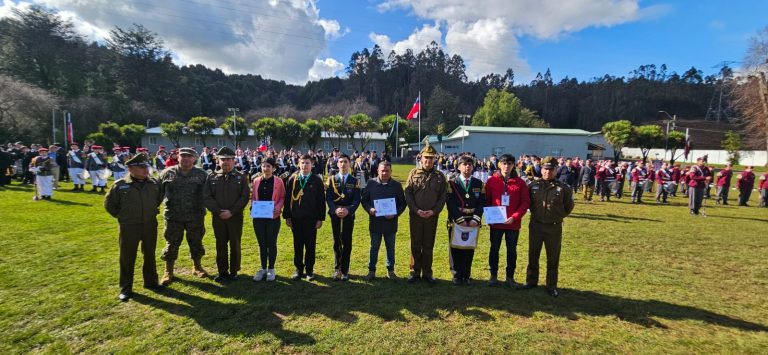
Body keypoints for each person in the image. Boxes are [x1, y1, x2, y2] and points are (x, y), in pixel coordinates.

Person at [104, 154, 164, 301]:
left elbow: (158, 199)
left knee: (149, 254)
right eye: (141, 167)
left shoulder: (154, 184)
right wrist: (124, 217)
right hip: (129, 226)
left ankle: (151, 282)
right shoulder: (120, 185)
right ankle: (126, 288)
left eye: (146, 167)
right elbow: (110, 204)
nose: (145, 170)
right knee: (127, 257)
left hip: (149, 224)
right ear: (131, 168)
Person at [157, 148, 210, 286]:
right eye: (183, 156)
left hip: (195, 215)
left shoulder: (201, 174)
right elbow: (157, 193)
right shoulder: (167, 173)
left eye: (189, 156)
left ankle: (197, 267)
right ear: (177, 157)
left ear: (194, 158)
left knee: (196, 241)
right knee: (172, 243)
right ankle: (168, 271)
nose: (186, 158)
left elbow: (208, 194)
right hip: (173, 216)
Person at [524, 156, 574, 297]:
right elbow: (527, 203)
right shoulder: (533, 185)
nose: (548, 172)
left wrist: (557, 217)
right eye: (545, 169)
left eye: (551, 169)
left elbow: (568, 207)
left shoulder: (563, 188)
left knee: (553, 257)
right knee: (533, 254)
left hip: (553, 227)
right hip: (536, 225)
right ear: (542, 169)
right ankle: (531, 281)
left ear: (556, 170)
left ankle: (551, 285)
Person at [203, 147, 251, 282]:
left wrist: (231, 211)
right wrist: (218, 212)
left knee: (235, 244)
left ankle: (234, 271)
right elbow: (207, 197)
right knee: (220, 244)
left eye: (228, 159)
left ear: (234, 161)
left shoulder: (240, 177)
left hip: (235, 217)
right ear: (218, 160)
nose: (225, 162)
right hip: (218, 218)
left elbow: (244, 197)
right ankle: (222, 271)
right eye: (222, 159)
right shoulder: (211, 177)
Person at [404, 143, 447, 283]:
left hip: (431, 217)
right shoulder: (413, 173)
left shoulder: (440, 176)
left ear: (435, 159)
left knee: (428, 245)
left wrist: (433, 211)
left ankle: (427, 273)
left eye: (431, 158)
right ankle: (414, 272)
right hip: (416, 216)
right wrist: (416, 210)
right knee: (415, 244)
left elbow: (443, 197)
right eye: (426, 158)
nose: (428, 161)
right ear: (420, 158)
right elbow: (408, 194)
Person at [484, 154, 530, 287]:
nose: (506, 166)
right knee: (494, 249)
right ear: (499, 165)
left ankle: (510, 277)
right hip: (496, 223)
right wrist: (489, 216)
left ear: (513, 165)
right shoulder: (492, 181)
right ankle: (493, 275)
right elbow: (487, 200)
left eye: (509, 164)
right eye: (504, 163)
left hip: (512, 224)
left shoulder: (520, 183)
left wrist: (515, 217)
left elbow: (525, 202)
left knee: (511, 250)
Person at [283, 154, 326, 281]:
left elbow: (321, 201)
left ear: (312, 164)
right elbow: (287, 199)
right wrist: (287, 216)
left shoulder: (316, 180)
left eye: (307, 163)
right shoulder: (293, 178)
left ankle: (309, 270)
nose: (304, 165)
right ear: (298, 164)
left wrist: (320, 218)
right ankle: (298, 269)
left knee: (310, 245)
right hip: (296, 218)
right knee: (297, 244)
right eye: (302, 163)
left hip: (311, 219)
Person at [361, 161, 406, 281]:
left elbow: (403, 203)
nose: (385, 173)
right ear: (378, 171)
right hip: (375, 222)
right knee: (374, 247)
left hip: (391, 223)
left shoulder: (397, 185)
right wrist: (369, 209)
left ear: (391, 171)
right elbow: (364, 200)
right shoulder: (371, 183)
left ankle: (390, 271)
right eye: (382, 170)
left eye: (387, 171)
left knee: (390, 247)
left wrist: (395, 213)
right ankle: (371, 271)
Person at [445, 155, 485, 285]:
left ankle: (466, 274)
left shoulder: (478, 183)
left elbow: (481, 203)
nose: (467, 166)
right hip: (457, 220)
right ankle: (456, 274)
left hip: (472, 220)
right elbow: (450, 203)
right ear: (458, 166)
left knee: (469, 248)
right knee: (455, 247)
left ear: (473, 167)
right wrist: (459, 219)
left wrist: (476, 219)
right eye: (464, 164)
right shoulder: (452, 183)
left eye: (470, 164)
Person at [325, 154, 361, 281]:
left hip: (348, 215)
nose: (343, 164)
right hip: (335, 214)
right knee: (336, 242)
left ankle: (345, 270)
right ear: (337, 164)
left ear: (349, 164)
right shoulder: (331, 179)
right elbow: (328, 198)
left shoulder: (354, 180)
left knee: (347, 242)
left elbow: (357, 199)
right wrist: (335, 209)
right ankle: (337, 269)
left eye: (345, 162)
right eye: (340, 162)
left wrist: (348, 210)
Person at [250, 157, 285, 282]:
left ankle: (271, 269)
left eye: (269, 166)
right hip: (259, 217)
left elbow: (282, 197)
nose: (266, 169)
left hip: (273, 217)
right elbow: (253, 196)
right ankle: (263, 268)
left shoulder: (279, 181)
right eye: (264, 166)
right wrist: (252, 206)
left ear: (273, 168)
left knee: (271, 242)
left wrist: (278, 207)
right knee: (262, 243)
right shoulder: (255, 181)